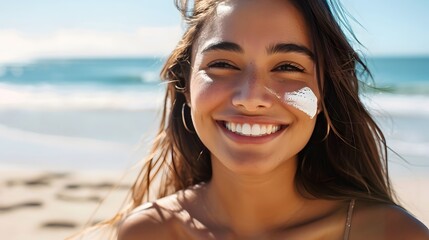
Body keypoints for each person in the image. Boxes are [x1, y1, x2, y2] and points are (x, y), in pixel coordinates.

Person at [112, 0, 429, 239]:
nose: (251, 98)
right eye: (223, 63)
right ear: (186, 85)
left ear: (323, 94)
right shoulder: (148, 232)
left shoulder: (392, 234)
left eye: (288, 67)